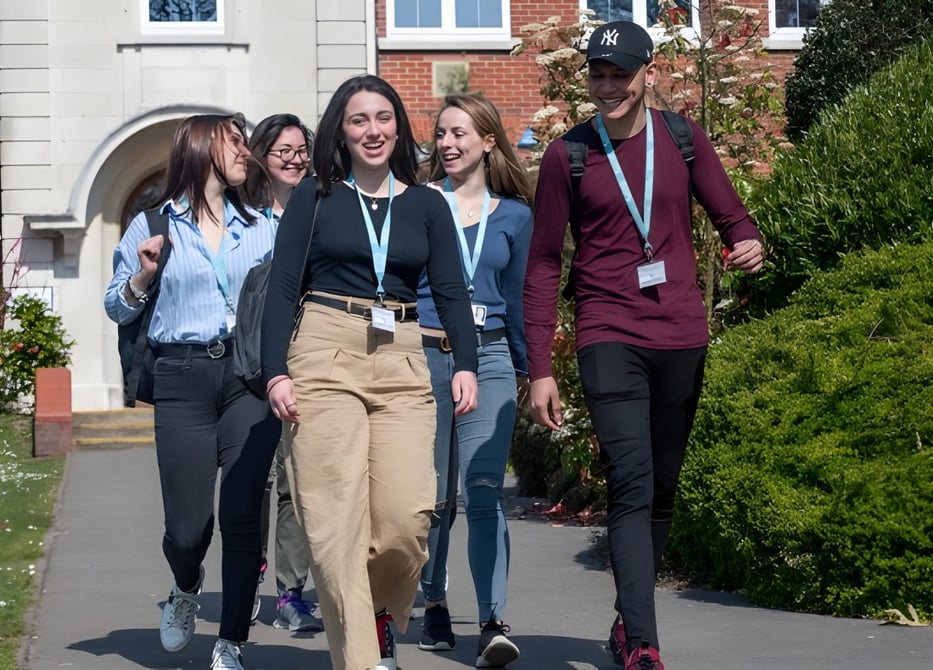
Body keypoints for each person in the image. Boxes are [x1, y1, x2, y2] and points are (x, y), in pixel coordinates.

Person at [524, 22, 765, 670]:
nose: (606, 86)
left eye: (619, 75)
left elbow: (732, 216)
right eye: (597, 74)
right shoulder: (568, 155)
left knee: (662, 487)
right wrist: (540, 367)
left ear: (649, 74)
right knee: (630, 480)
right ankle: (644, 644)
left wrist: (749, 242)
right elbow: (544, 263)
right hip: (607, 332)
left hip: (681, 334)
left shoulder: (683, 140)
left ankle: (627, 620)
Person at [259, 74, 480, 670]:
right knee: (335, 523)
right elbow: (282, 287)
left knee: (408, 518)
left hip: (402, 355)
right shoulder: (315, 196)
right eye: (359, 120)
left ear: (399, 128)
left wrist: (465, 363)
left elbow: (452, 292)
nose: (373, 130)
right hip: (324, 351)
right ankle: (361, 657)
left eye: (383, 118)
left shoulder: (427, 204)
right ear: (341, 131)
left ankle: (376, 607)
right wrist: (276, 372)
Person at [104, 113, 283, 670]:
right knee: (187, 530)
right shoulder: (152, 224)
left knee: (242, 510)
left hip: (247, 378)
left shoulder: (261, 225)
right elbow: (115, 305)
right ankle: (186, 585)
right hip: (181, 377)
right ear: (203, 147)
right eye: (235, 143)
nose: (246, 152)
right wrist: (142, 277)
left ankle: (230, 641)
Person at [415, 94, 533, 667]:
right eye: (441, 133)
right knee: (436, 497)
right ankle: (434, 601)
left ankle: (491, 622)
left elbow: (518, 298)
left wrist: (530, 370)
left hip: (489, 358)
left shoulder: (515, 216)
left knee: (483, 488)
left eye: (459, 133)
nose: (447, 143)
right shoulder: (418, 203)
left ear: (488, 142)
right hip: (425, 356)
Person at [241, 113, 324, 633]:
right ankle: (248, 573)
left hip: (306, 362)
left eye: (301, 151)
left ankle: (289, 593)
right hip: (251, 368)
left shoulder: (320, 215)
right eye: (284, 151)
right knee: (255, 482)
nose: (295, 160)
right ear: (261, 157)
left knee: (296, 481)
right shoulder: (243, 223)